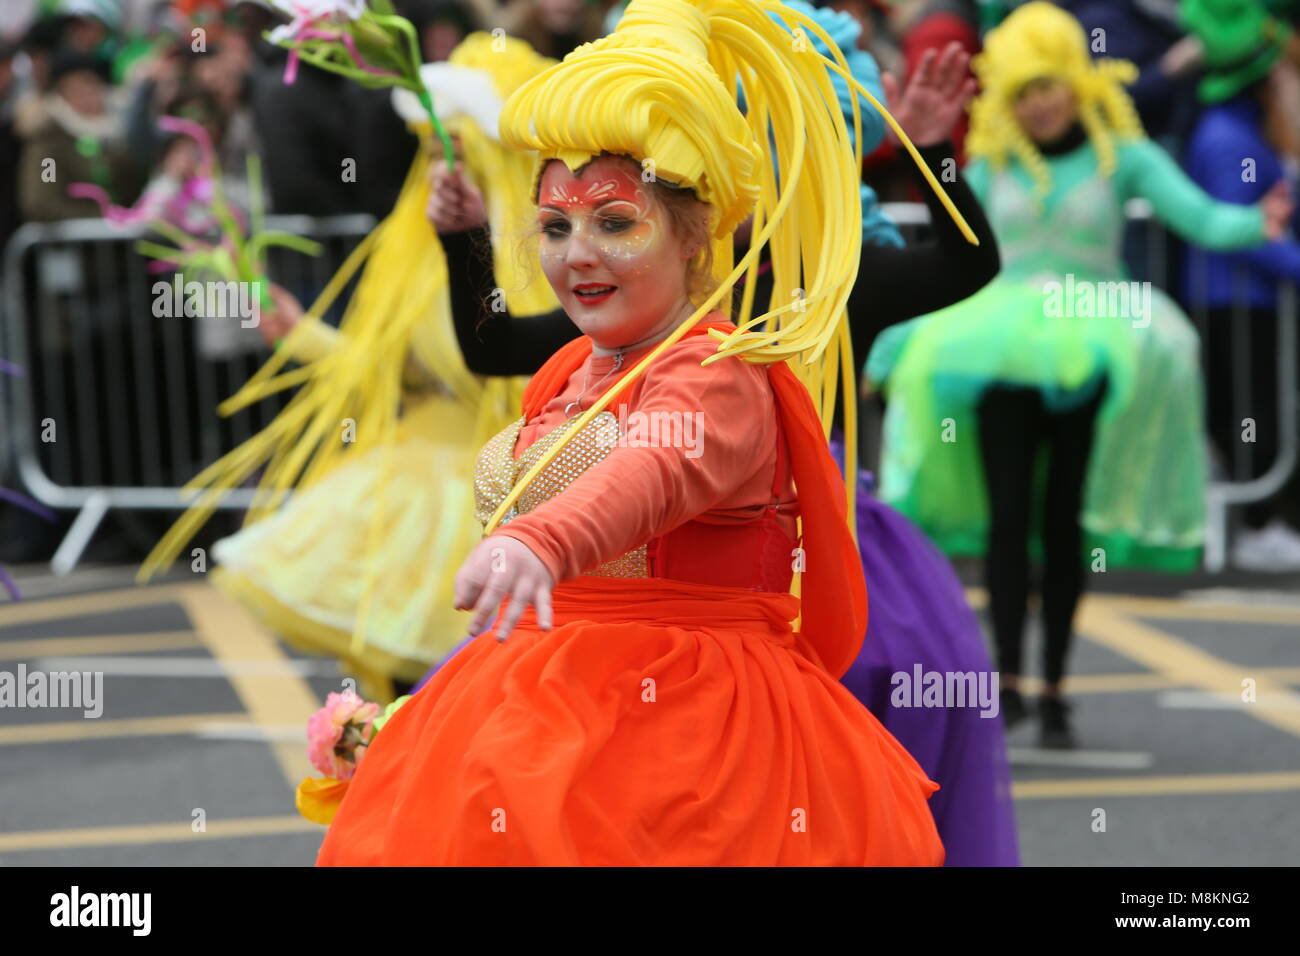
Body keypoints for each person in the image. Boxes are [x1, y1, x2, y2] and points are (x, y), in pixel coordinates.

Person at [318, 0, 952, 866]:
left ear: (694, 236)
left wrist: (543, 541)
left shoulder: (719, 366)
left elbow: (657, 464)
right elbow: (495, 349)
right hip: (547, 713)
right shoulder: (571, 367)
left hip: (693, 739)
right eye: (555, 225)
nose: (577, 252)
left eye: (614, 222)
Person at [866, 2, 1292, 747]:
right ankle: (1008, 682)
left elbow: (1197, 216)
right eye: (1025, 89)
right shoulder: (992, 159)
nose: (1040, 103)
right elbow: (949, 234)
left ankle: (1055, 685)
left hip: (1093, 336)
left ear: (1076, 81)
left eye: (1051, 85)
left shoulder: (1122, 154)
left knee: (1061, 519)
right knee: (1006, 521)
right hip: (989, 346)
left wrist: (1257, 223)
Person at [137, 33, 554, 703]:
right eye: (427, 147)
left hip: (490, 494)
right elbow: (383, 367)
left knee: (478, 699)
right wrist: (297, 331)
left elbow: (503, 367)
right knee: (391, 694)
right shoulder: (415, 243)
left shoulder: (546, 257)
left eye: (453, 146)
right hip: (404, 486)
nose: (439, 167)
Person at [1179, 0, 1300, 570]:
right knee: (1250, 416)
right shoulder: (1229, 138)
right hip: (1232, 301)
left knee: (1252, 413)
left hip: (1239, 299)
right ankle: (1256, 526)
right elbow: (1244, 230)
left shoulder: (1235, 130)